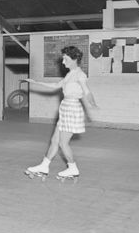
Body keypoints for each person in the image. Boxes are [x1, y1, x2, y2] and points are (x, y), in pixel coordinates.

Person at [23, 46, 98, 180]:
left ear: (74, 59)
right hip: (65, 109)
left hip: (72, 109)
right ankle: (44, 166)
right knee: (54, 140)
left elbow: (86, 91)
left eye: (66, 59)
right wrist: (36, 82)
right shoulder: (70, 74)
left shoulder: (80, 74)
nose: (63, 62)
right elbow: (56, 86)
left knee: (63, 143)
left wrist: (92, 104)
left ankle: (73, 168)